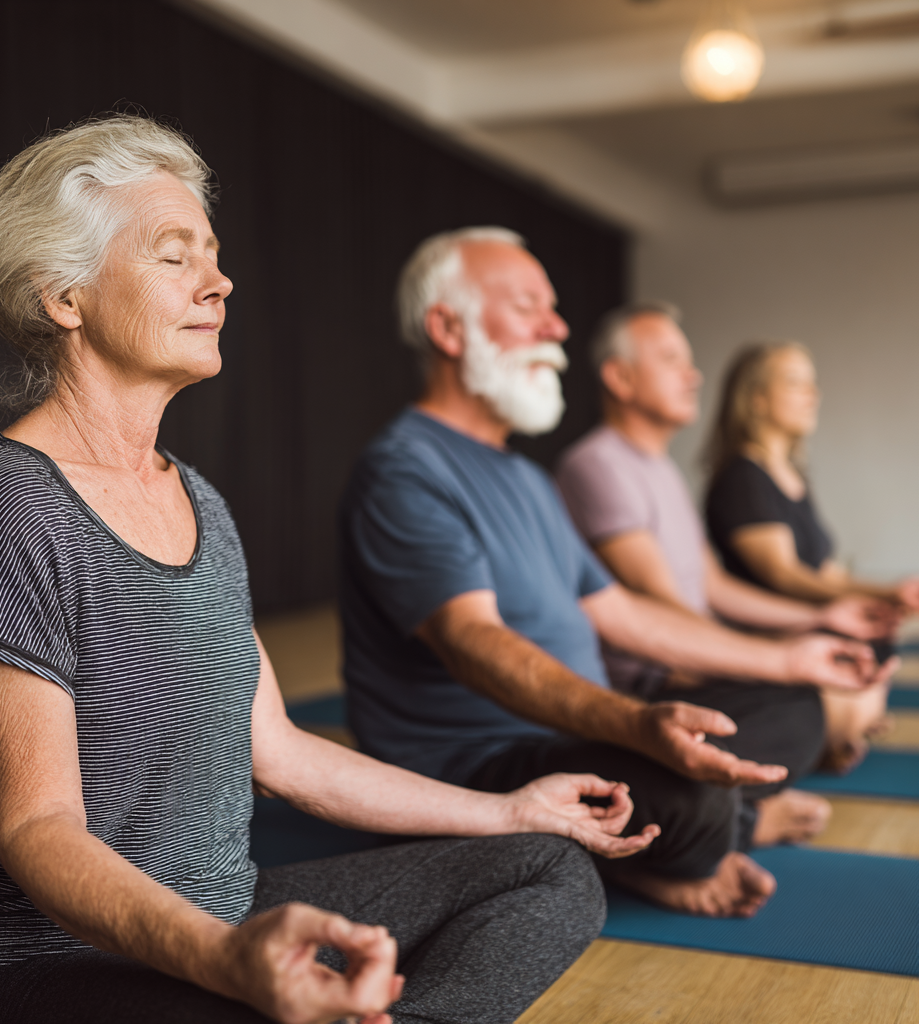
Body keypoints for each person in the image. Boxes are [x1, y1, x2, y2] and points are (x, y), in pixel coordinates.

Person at [0, 117, 657, 1024]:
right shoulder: (9, 505)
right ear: (63, 296)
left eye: (214, 256)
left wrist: (510, 811)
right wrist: (228, 960)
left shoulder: (203, 505)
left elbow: (283, 753)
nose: (219, 282)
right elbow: (36, 831)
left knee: (546, 866)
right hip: (35, 962)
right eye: (174, 256)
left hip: (221, 919)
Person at [339, 227, 897, 921]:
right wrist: (636, 725)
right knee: (695, 797)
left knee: (797, 705)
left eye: (554, 307)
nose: (558, 326)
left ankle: (639, 844)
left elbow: (624, 615)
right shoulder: (405, 470)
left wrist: (788, 656)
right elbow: (472, 643)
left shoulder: (528, 478)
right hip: (479, 762)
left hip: (577, 735)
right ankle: (678, 844)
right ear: (447, 329)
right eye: (529, 306)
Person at [556, 306, 901, 775]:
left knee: (833, 688)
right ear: (620, 377)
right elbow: (660, 602)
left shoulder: (663, 469)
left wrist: (818, 615)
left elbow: (712, 584)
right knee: (811, 707)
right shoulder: (596, 465)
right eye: (671, 359)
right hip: (657, 679)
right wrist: (767, 661)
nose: (694, 375)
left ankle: (774, 781)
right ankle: (751, 806)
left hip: (700, 650)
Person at [704, 340, 919, 609]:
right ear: (757, 399)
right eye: (795, 383)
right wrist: (879, 599)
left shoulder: (792, 475)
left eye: (812, 383)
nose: (813, 394)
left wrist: (891, 592)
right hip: (780, 640)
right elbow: (782, 574)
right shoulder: (743, 479)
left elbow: (826, 573)